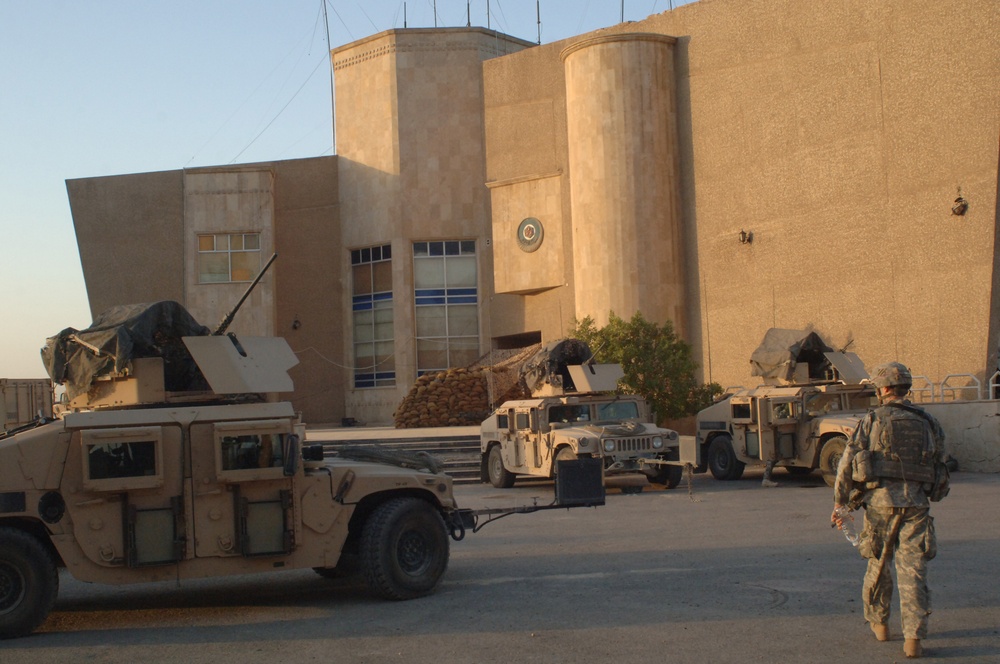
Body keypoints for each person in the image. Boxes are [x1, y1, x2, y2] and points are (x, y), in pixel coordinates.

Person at [831, 362, 950, 659]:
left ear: (883, 389)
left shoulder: (871, 420)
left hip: (880, 506)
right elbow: (940, 460)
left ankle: (880, 624)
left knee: (878, 566)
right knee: (913, 573)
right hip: (916, 507)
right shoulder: (928, 422)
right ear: (905, 388)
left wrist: (840, 503)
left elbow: (847, 463)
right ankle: (913, 639)